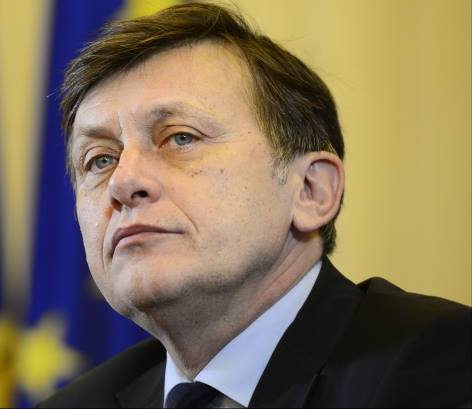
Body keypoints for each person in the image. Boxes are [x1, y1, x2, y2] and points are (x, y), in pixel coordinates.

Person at [39, 3, 471, 408]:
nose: (123, 181)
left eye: (180, 137)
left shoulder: (440, 364)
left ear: (311, 191)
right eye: (99, 160)